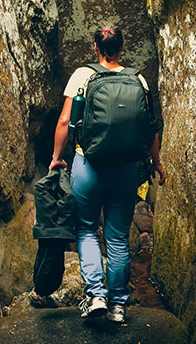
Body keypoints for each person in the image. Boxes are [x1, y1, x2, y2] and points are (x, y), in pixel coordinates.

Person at [49, 27, 166, 323]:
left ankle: (96, 294)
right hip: (126, 169)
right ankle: (118, 305)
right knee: (116, 236)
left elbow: (65, 120)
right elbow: (150, 126)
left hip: (89, 165)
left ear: (95, 48)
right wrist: (155, 162)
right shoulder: (137, 79)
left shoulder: (82, 76)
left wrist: (56, 158)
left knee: (87, 228)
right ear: (122, 48)